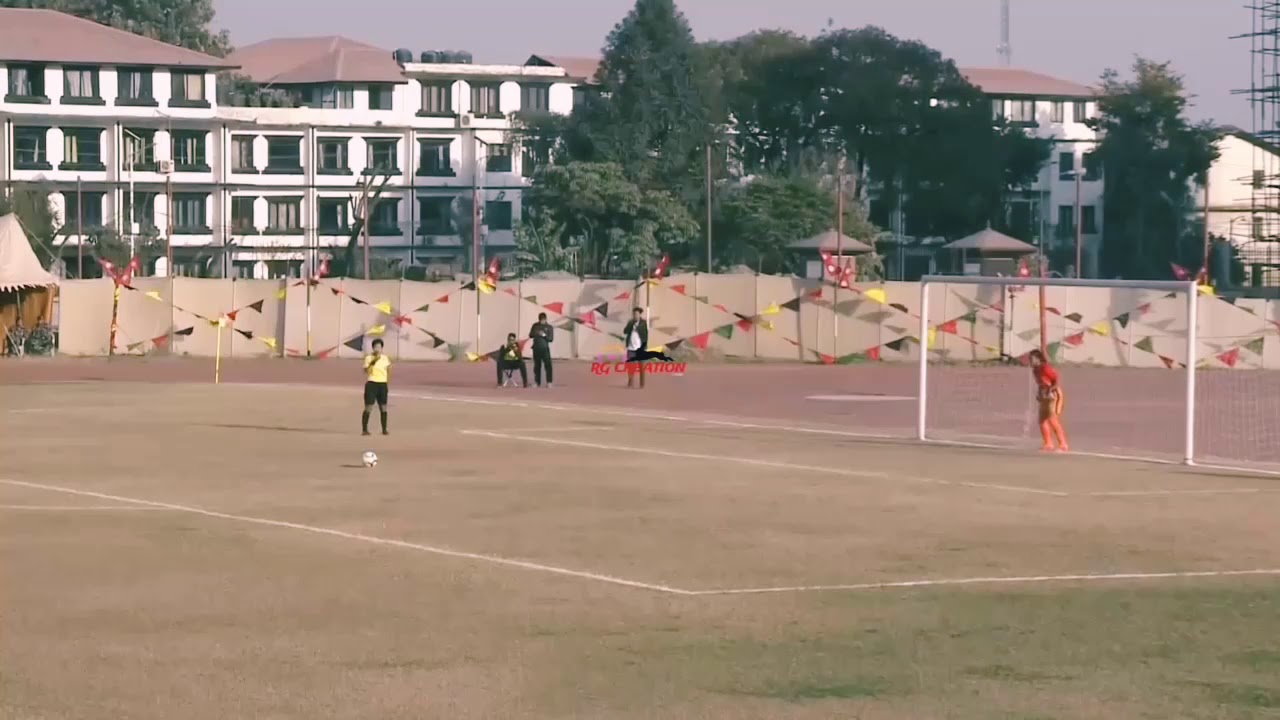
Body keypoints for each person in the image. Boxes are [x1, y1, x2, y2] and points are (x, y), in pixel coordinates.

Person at [1029, 349, 1069, 452]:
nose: (1030, 361)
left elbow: (1056, 380)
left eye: (1032, 359)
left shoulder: (1045, 368)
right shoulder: (1035, 370)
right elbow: (1041, 383)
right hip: (1044, 395)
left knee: (1052, 419)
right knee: (1042, 420)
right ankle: (1048, 443)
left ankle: (1063, 444)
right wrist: (1039, 394)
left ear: (1038, 359)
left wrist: (1050, 390)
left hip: (1053, 395)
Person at [362, 338, 390, 436]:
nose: (378, 349)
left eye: (379, 347)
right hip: (372, 384)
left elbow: (388, 370)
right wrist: (374, 360)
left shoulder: (385, 358)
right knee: (369, 407)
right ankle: (365, 429)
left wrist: (386, 381)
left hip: (382, 384)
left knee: (383, 407)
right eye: (376, 347)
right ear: (373, 348)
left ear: (382, 348)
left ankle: (384, 429)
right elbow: (367, 371)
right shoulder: (368, 358)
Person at [622, 307, 648, 389]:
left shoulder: (643, 323)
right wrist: (631, 324)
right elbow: (625, 331)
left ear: (640, 314)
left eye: (636, 314)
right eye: (634, 314)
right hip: (631, 348)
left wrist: (636, 326)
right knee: (630, 366)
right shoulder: (631, 322)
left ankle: (642, 384)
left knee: (641, 367)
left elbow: (644, 333)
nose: (635, 315)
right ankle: (630, 382)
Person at [529, 312, 554, 387]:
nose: (542, 321)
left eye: (543, 319)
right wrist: (537, 333)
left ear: (546, 319)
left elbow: (550, 339)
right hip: (536, 348)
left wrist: (543, 335)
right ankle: (537, 382)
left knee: (548, 365)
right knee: (537, 366)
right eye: (540, 320)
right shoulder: (535, 325)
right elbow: (530, 335)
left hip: (545, 349)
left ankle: (549, 382)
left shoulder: (549, 327)